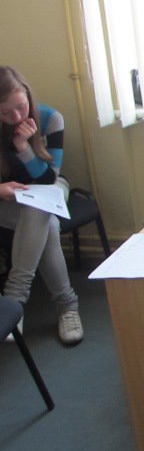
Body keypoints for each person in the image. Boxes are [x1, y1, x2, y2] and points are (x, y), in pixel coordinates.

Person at [0, 66, 83, 345]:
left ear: (28, 95)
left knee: (41, 207)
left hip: (50, 188)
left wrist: (24, 147)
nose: (16, 117)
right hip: (9, 199)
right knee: (47, 222)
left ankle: (13, 300)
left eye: (21, 107)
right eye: (5, 113)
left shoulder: (50, 118)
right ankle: (68, 306)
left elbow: (49, 178)